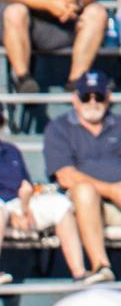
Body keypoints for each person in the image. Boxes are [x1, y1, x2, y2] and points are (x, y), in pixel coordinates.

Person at [0, 92, 90, 286]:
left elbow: (25, 187)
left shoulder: (11, 151)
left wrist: (24, 209)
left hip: (11, 204)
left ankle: (79, 272)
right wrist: (8, 211)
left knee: (60, 204)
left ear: (1, 123)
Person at [44, 68, 121, 283]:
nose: (93, 102)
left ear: (109, 98)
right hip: (81, 207)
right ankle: (100, 266)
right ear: (75, 99)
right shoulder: (59, 128)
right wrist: (113, 190)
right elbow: (65, 176)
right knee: (84, 191)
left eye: (99, 96)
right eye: (86, 96)